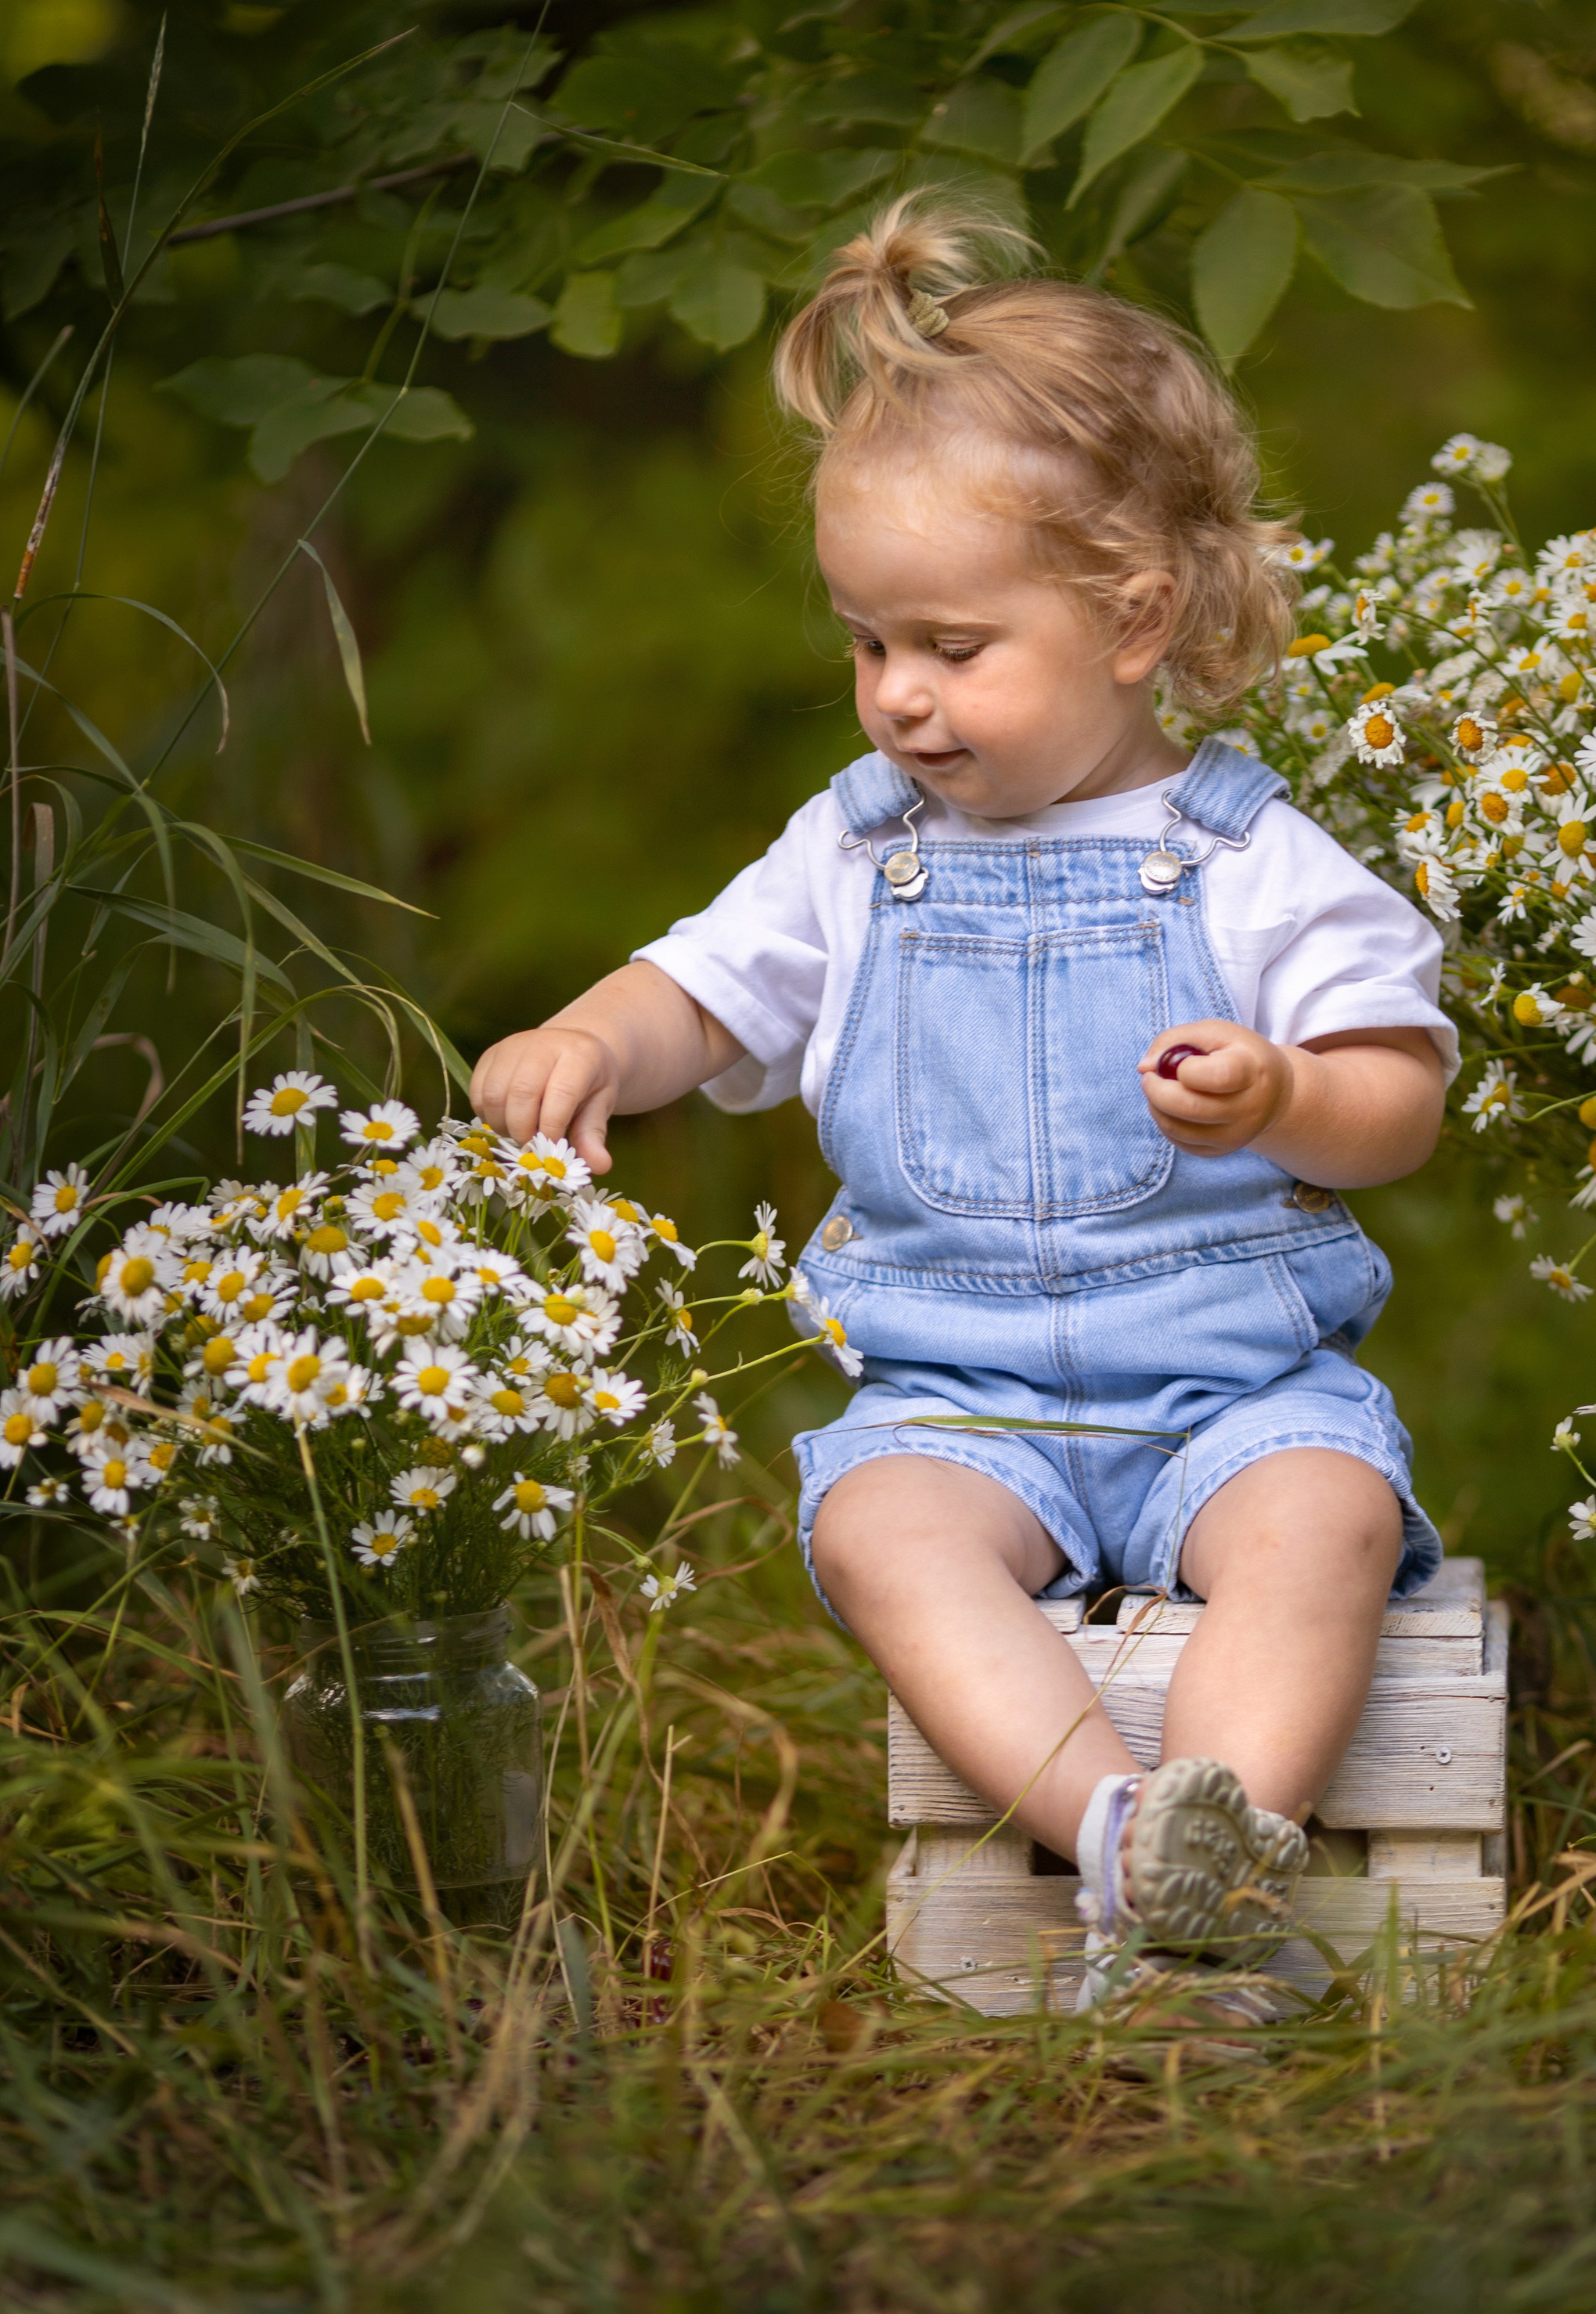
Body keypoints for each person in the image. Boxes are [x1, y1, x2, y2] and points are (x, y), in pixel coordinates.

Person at [470, 196, 1455, 2033]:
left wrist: (1291, 1094)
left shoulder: (1246, 861)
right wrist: (597, 1038)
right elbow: (711, 987)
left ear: (1134, 616)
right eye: (866, 644)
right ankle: (1116, 1837)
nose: (900, 700)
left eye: (950, 644)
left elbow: (1395, 1100)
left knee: (1317, 1520)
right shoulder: (858, 849)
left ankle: (1217, 1839)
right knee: (878, 1534)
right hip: (959, 1395)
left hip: (1230, 1383)